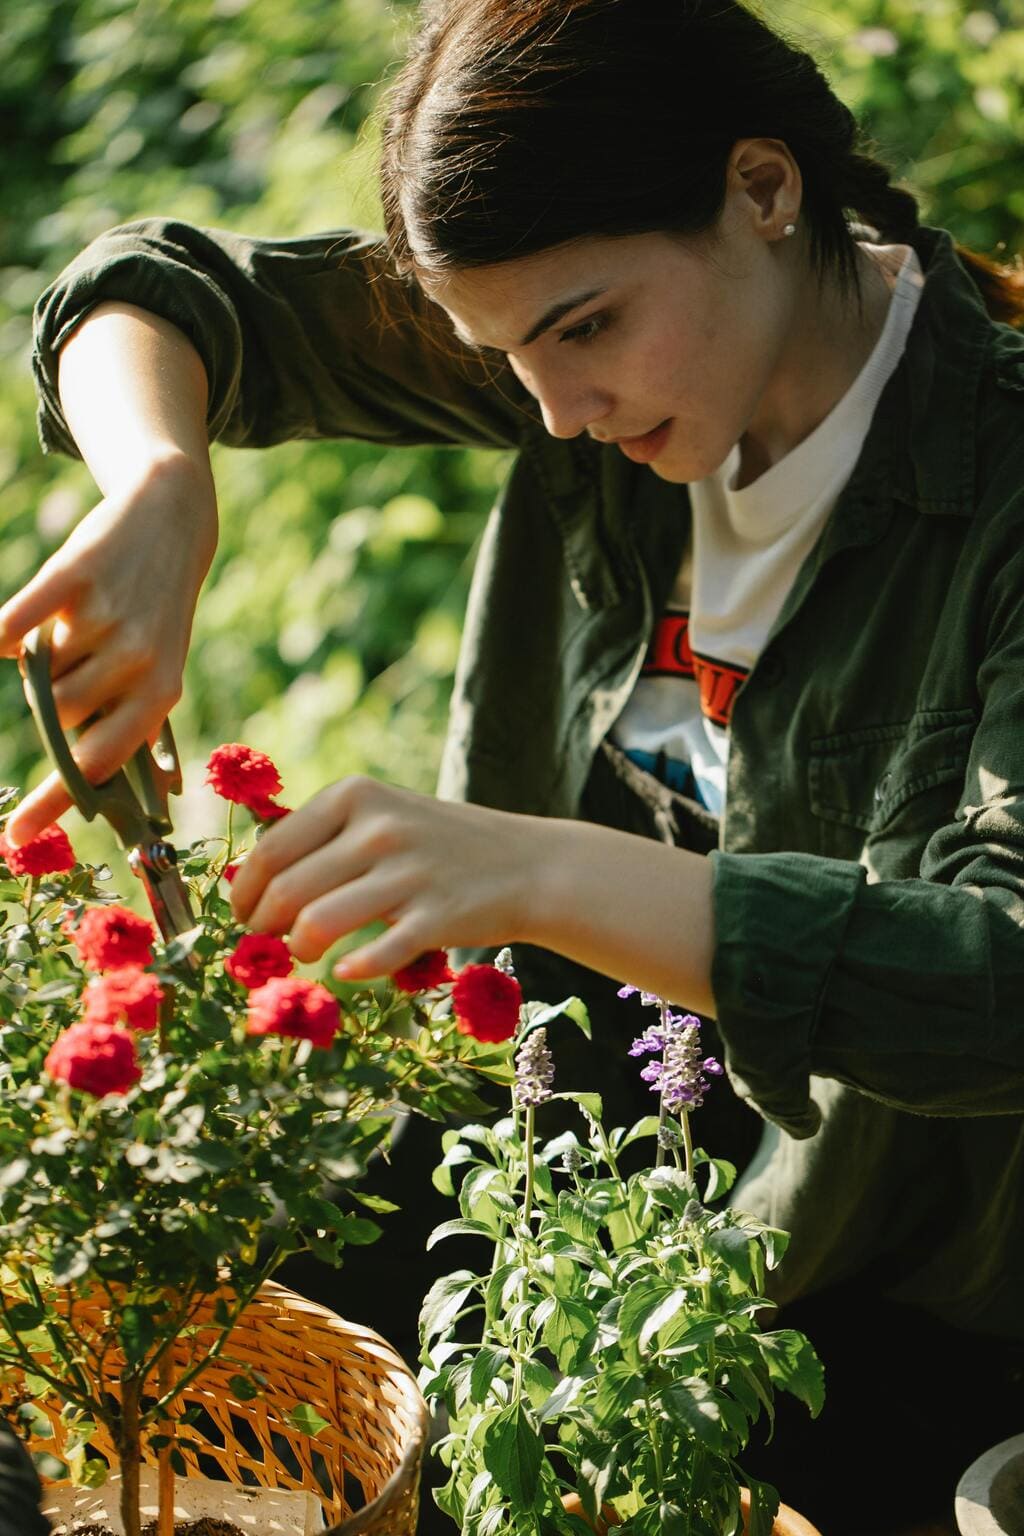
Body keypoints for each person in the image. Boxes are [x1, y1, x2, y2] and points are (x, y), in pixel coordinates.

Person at [4, 0, 1024, 1527]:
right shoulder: (589, 355)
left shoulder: (996, 482)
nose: (550, 411)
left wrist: (534, 868)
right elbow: (153, 287)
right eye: (503, 357)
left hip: (869, 1284)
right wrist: (162, 483)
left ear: (764, 190)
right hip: (546, 1165)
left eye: (581, 331)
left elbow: (999, 983)